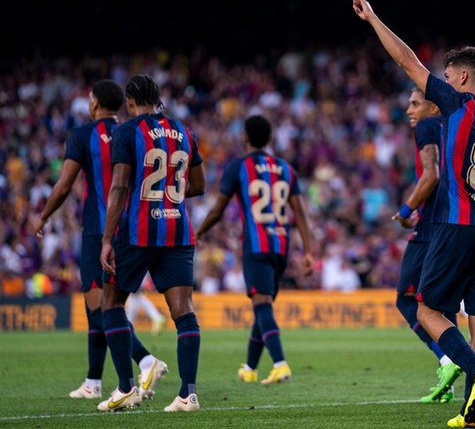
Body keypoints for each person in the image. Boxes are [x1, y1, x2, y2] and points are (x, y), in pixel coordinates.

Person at [353, 0, 475, 429]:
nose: (441, 80)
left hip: (456, 225)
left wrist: (374, 19)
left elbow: (406, 60)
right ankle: (473, 410)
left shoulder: (456, 102)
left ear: (463, 76)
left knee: (426, 310)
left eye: (447, 74)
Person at [30, 80, 168, 402]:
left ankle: (146, 361)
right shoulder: (133, 131)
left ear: (93, 103)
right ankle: (93, 381)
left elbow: (65, 185)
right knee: (104, 306)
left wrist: (44, 216)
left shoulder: (82, 135)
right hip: (131, 227)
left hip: (98, 230)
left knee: (103, 310)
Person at [99, 74, 206, 412]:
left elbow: (118, 187)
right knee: (183, 311)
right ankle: (187, 394)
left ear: (130, 102)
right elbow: (199, 184)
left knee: (111, 304)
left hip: (138, 231)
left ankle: (126, 388)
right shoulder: (185, 132)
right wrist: (168, 197)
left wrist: (106, 238)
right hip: (177, 230)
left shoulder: (127, 131)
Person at [196, 114, 315, 385]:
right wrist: (308, 251)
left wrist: (200, 231)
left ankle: (280, 363)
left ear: (245, 137)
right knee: (264, 306)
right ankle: (249, 367)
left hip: (256, 247)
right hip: (281, 247)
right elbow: (301, 214)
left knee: (262, 306)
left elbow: (218, 209)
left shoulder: (238, 167)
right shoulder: (286, 168)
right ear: (271, 139)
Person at [393, 88, 461, 404]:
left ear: (434, 108)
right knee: (444, 308)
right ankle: (453, 380)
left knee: (407, 300)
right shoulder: (456, 130)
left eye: (415, 103)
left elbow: (431, 174)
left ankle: (447, 360)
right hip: (457, 225)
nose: (409, 108)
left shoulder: (428, 126)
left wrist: (406, 211)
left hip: (430, 230)